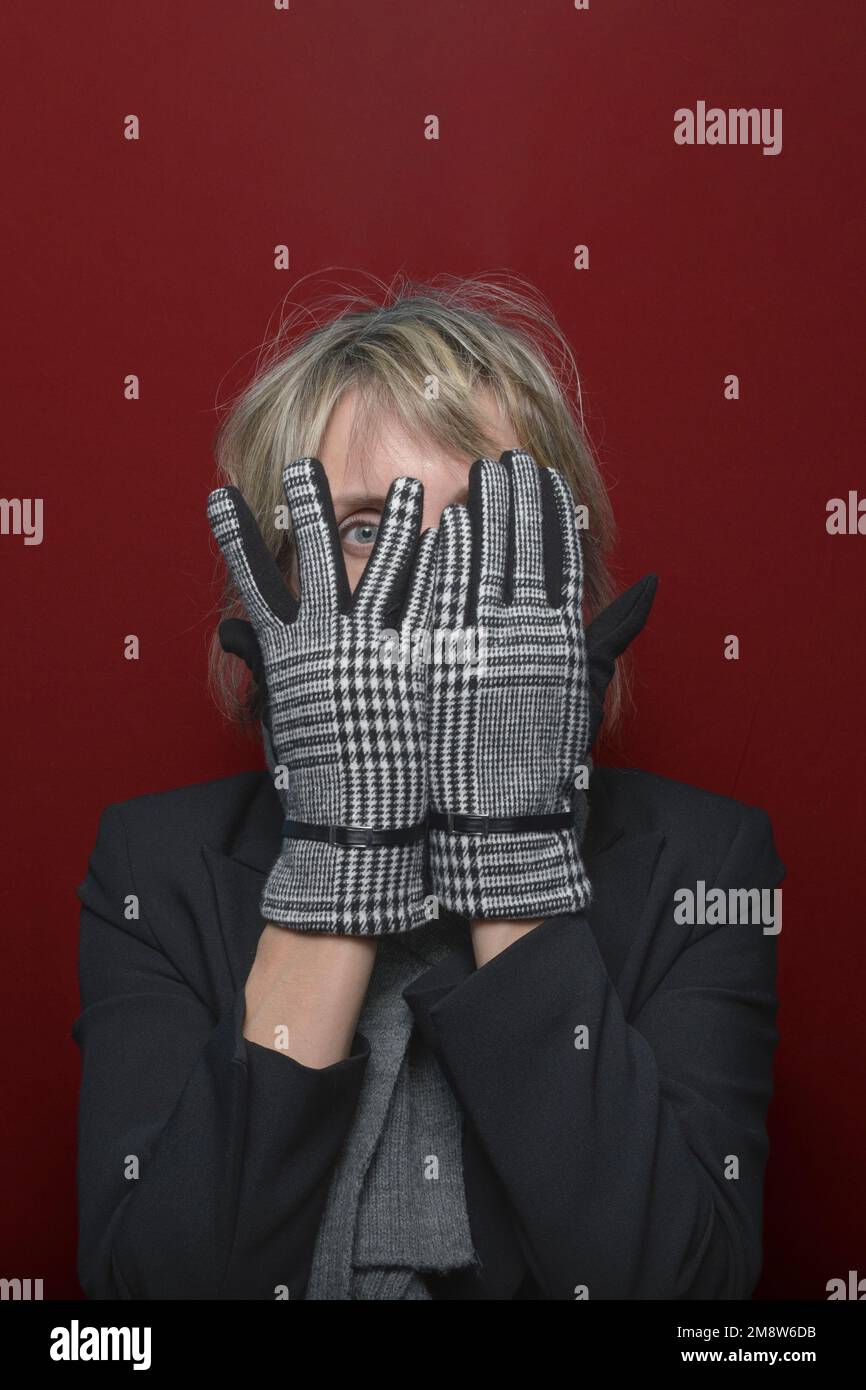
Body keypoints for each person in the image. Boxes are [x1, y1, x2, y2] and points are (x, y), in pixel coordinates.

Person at [72, 274, 784, 1300]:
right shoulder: (155, 866)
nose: (436, 585)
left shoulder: (705, 863)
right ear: (281, 581)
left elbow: (681, 1296)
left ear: (561, 566)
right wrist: (339, 849)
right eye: (367, 529)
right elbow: (148, 1307)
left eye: (483, 523)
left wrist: (508, 841)